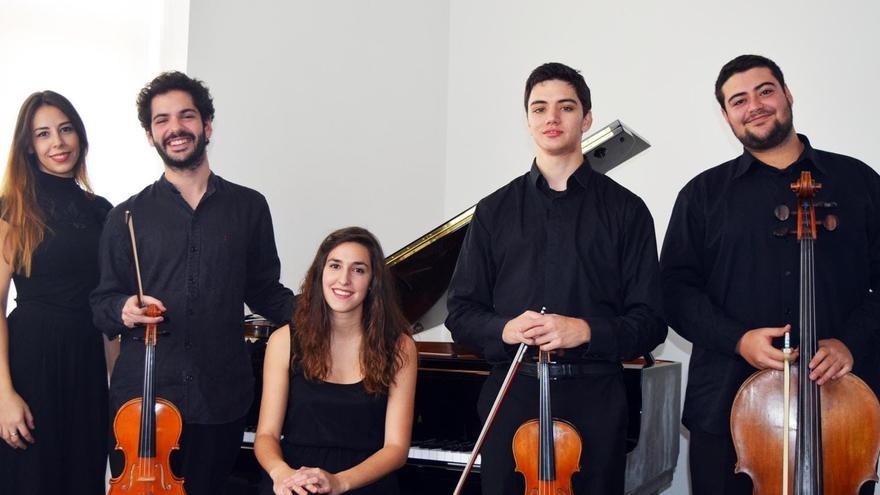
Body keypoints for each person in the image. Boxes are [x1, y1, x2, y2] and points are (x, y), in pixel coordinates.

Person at [660, 54, 880, 495]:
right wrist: (736, 339)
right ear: (726, 116)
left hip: (841, 411)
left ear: (787, 94)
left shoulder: (858, 182)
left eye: (765, 91)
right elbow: (674, 290)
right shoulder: (702, 195)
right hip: (726, 407)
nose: (755, 105)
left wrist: (849, 342)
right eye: (738, 100)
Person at [445, 62, 667, 495]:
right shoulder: (493, 211)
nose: (552, 118)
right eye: (539, 108)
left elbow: (651, 321)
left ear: (586, 119)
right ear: (527, 120)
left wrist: (584, 330)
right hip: (513, 393)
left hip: (596, 398)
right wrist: (505, 328)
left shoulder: (627, 211)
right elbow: (461, 313)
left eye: (566, 107)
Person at [90, 71, 294, 494]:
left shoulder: (249, 207)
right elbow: (101, 302)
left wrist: (329, 319)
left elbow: (265, 290)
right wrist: (123, 308)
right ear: (150, 135)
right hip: (143, 402)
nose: (175, 128)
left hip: (219, 394)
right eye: (161, 120)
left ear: (207, 125)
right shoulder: (125, 217)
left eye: (186, 116)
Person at [0, 91, 112, 494]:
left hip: (86, 361)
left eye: (65, 129)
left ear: (80, 136)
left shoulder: (103, 211)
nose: (58, 142)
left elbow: (109, 308)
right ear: (29, 147)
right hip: (30, 361)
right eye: (43, 134)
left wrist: (116, 389)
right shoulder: (12, 207)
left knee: (82, 476)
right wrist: (3, 395)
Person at [254, 227, 417, 495]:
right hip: (295, 482)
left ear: (373, 281)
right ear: (320, 273)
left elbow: (396, 449)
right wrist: (281, 474)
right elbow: (266, 436)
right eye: (335, 266)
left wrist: (340, 482)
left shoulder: (400, 347)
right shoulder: (284, 340)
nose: (344, 279)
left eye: (359, 270)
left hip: (364, 482)